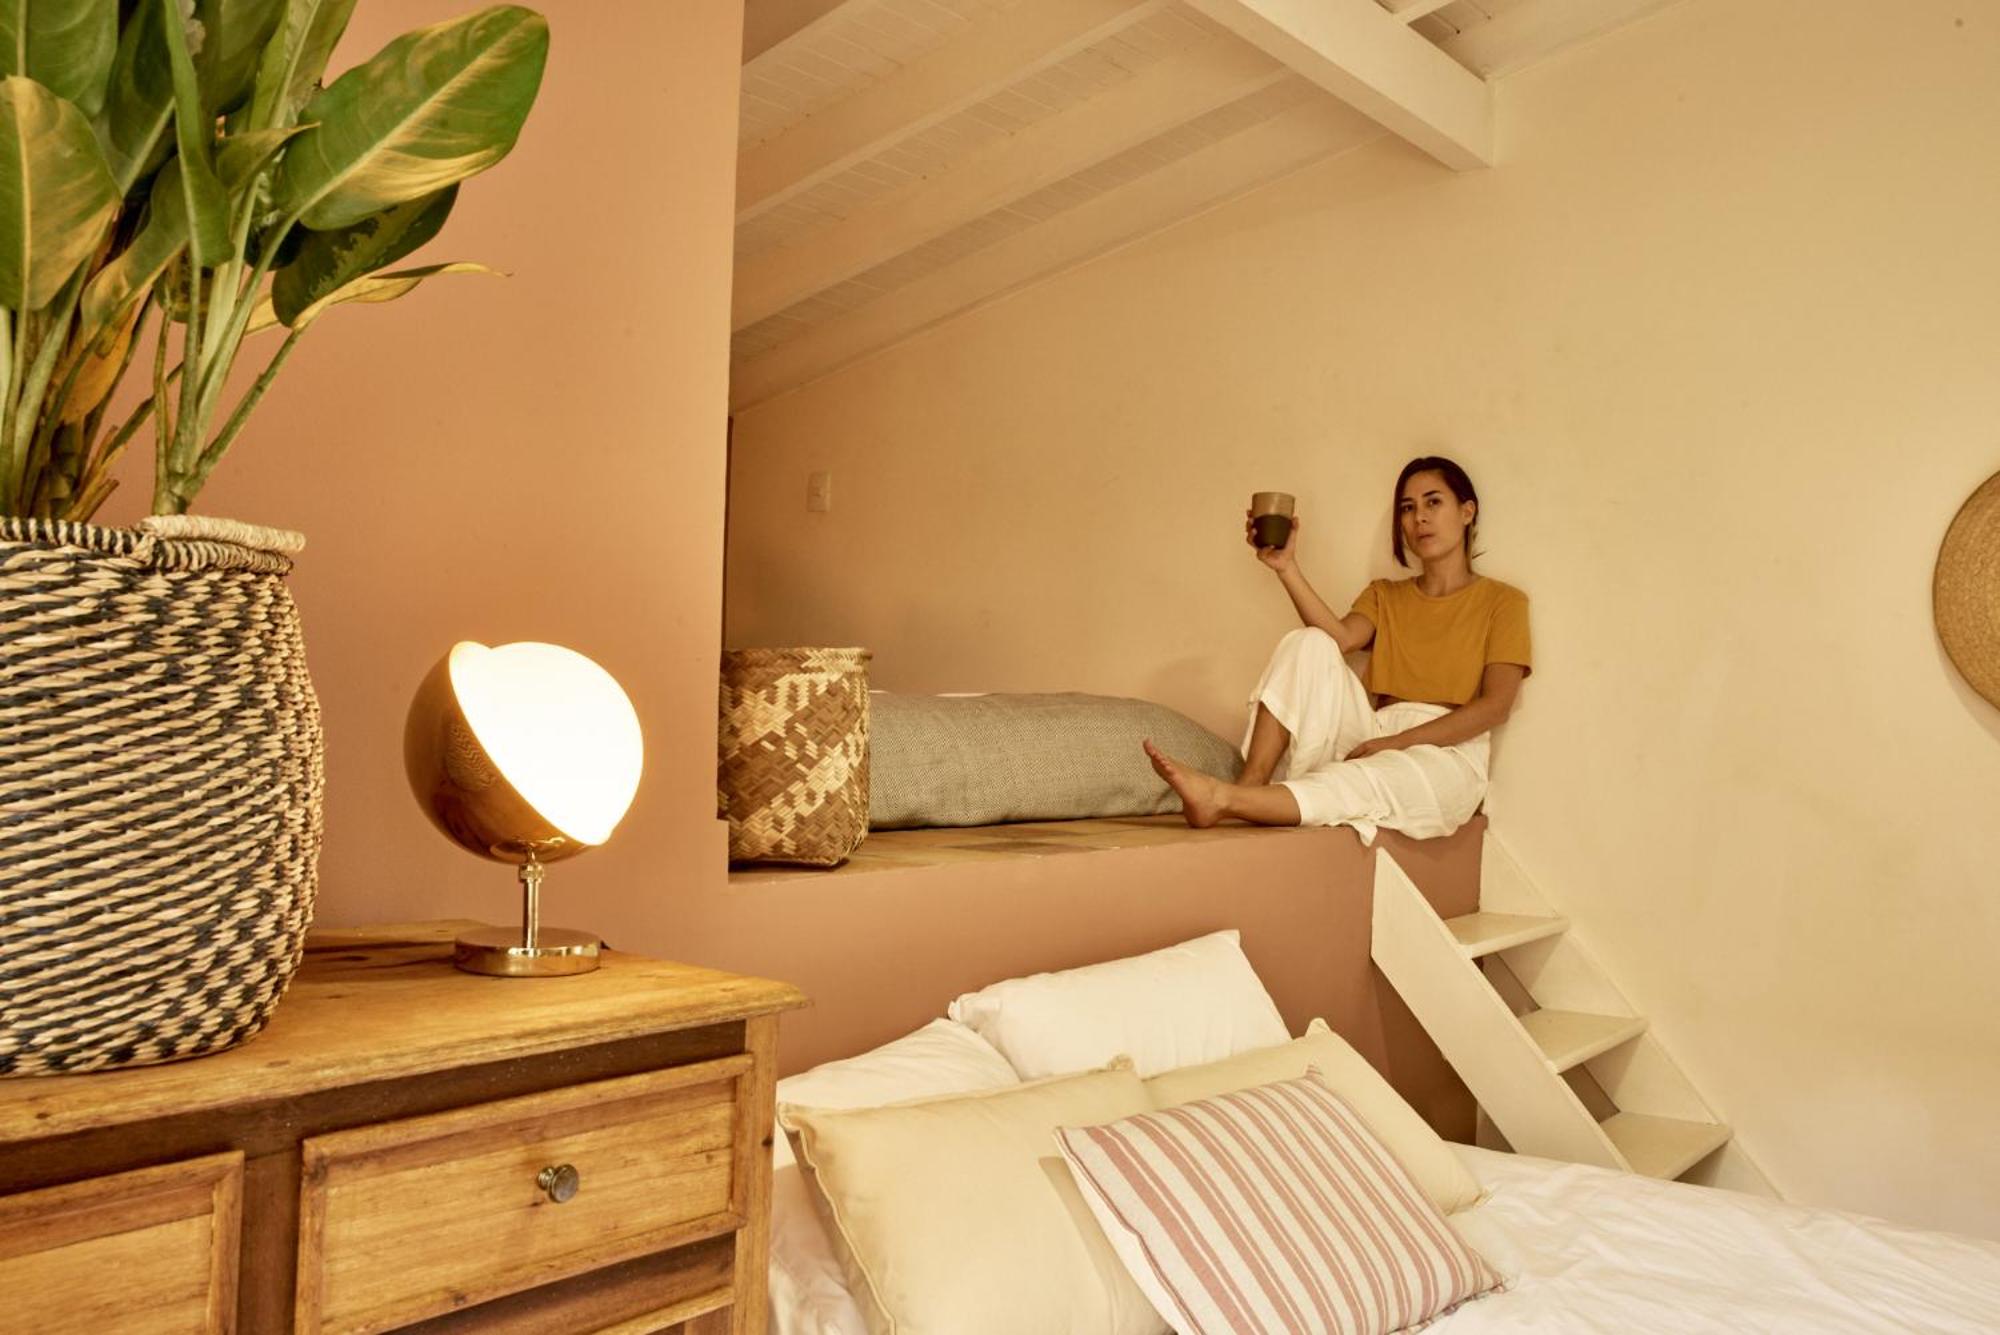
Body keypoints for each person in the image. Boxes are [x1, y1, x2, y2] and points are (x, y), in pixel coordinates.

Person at [1145, 456, 1531, 842]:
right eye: (1407, 508)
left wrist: (1395, 745)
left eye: (1433, 502)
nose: (1419, 518)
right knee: (1308, 642)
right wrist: (1286, 567)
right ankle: (1251, 783)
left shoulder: (1503, 602)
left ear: (1467, 512)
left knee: (1368, 778)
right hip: (1377, 728)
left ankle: (1224, 799)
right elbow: (1340, 639)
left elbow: (1496, 706)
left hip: (1449, 752)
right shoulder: (1386, 594)